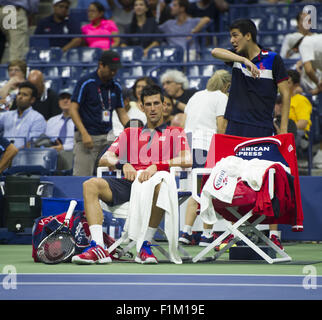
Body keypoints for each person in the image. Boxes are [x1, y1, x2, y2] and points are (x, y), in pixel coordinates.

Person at [71, 84, 192, 265]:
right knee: (90, 185)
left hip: (157, 184)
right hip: (130, 182)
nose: (152, 108)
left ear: (164, 105)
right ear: (141, 107)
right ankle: (98, 247)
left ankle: (144, 245)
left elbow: (187, 159)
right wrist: (123, 163)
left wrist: (156, 166)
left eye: (156, 103)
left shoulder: (175, 132)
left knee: (160, 185)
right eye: (148, 104)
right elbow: (105, 158)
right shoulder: (130, 133)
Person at [211, 19, 290, 250]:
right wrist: (243, 59)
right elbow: (215, 51)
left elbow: (285, 94)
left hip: (262, 129)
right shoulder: (235, 59)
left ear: (248, 36)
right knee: (232, 182)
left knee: (269, 181)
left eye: (235, 35)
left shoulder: (273, 59)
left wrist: (283, 129)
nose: (232, 40)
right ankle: (232, 230)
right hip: (235, 128)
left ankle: (274, 234)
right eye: (231, 35)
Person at [179, 69, 231, 247]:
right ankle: (207, 235)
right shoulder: (222, 97)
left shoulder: (196, 96)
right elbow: (221, 126)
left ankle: (185, 232)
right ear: (227, 85)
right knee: (208, 189)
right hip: (207, 145)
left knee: (196, 190)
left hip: (189, 145)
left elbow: (184, 122)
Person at [70, 50, 130, 176]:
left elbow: (122, 112)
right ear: (101, 65)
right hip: (88, 138)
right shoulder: (86, 82)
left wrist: (132, 129)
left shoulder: (116, 86)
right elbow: (73, 109)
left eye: (116, 69)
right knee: (82, 176)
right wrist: (84, 133)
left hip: (108, 138)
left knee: (108, 177)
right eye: (111, 69)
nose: (114, 72)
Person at [0, 81, 46, 149]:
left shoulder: (37, 118)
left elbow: (32, 143)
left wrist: (11, 154)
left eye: (24, 95)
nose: (20, 97)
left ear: (32, 100)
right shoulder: (7, 115)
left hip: (25, 156)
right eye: (19, 94)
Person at [286, 69, 312, 157]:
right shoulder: (279, 99)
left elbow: (303, 123)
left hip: (298, 133)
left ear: (296, 85)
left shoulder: (301, 100)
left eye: (288, 82)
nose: (284, 85)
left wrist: (285, 128)